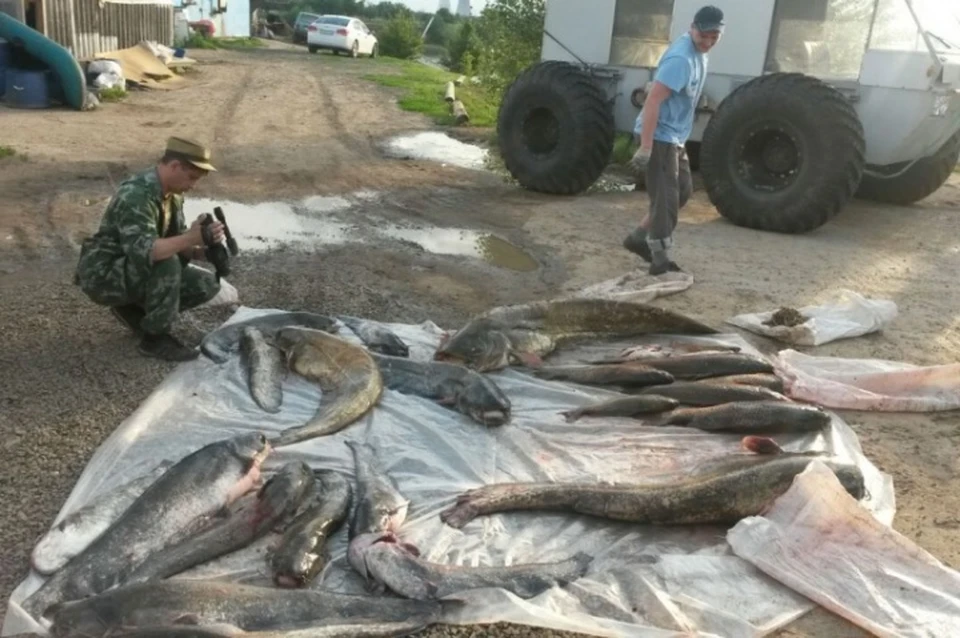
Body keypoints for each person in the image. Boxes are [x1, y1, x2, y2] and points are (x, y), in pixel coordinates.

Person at [74, 136, 225, 361]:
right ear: (174, 166)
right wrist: (191, 236)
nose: (193, 185)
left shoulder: (172, 195)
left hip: (129, 268)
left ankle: (132, 310)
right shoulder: (136, 195)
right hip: (103, 274)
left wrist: (202, 251)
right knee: (166, 262)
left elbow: (174, 240)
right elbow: (149, 252)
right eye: (191, 177)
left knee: (205, 284)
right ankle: (155, 340)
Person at [623, 5, 724, 275]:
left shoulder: (701, 53)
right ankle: (660, 261)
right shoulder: (681, 59)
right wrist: (645, 147)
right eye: (703, 35)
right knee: (666, 200)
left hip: (676, 136)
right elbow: (652, 101)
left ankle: (637, 237)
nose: (708, 42)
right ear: (692, 27)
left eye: (714, 36)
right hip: (658, 136)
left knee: (682, 191)